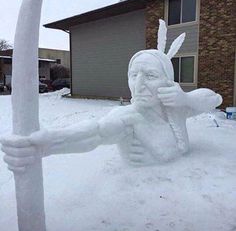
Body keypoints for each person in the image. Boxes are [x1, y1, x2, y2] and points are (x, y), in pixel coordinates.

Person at [0, 20, 222, 172]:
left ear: (168, 81)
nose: (139, 84)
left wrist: (186, 99)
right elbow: (95, 132)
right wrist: (44, 145)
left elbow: (213, 98)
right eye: (134, 75)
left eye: (151, 75)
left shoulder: (176, 108)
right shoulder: (128, 117)